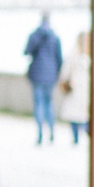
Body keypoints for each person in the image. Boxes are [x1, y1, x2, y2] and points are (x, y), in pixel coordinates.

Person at [25, 12, 64, 144]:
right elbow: (59, 59)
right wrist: (57, 73)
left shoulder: (35, 35)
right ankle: (52, 129)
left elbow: (26, 51)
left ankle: (40, 131)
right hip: (51, 75)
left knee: (39, 103)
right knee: (49, 103)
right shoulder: (55, 37)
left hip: (36, 74)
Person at [59, 29, 92, 146]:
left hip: (83, 89)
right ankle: (77, 136)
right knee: (76, 114)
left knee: (81, 114)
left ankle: (80, 135)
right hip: (76, 88)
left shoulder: (87, 55)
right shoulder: (75, 55)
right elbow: (65, 71)